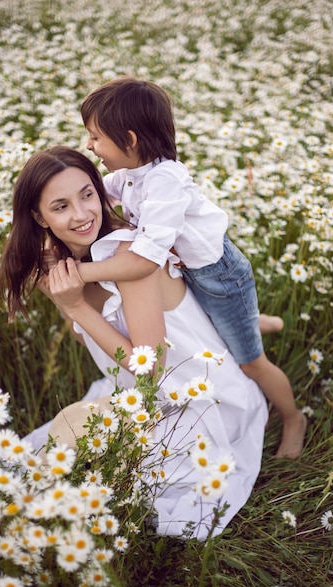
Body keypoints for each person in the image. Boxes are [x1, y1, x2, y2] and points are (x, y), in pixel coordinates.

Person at [0, 146, 268, 541]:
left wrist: (76, 306)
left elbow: (151, 367)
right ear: (39, 217)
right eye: (60, 206)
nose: (81, 214)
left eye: (87, 194)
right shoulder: (56, 266)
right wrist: (66, 296)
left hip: (192, 396)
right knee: (56, 462)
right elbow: (96, 346)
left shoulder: (132, 256)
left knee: (114, 485)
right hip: (135, 393)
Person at [74, 76, 306, 459]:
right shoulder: (132, 174)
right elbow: (95, 189)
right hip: (188, 271)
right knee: (223, 324)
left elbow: (143, 262)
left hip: (221, 279)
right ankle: (255, 320)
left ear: (130, 141)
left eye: (96, 137)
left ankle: (294, 417)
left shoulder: (165, 181)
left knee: (251, 361)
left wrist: (79, 275)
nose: (89, 145)